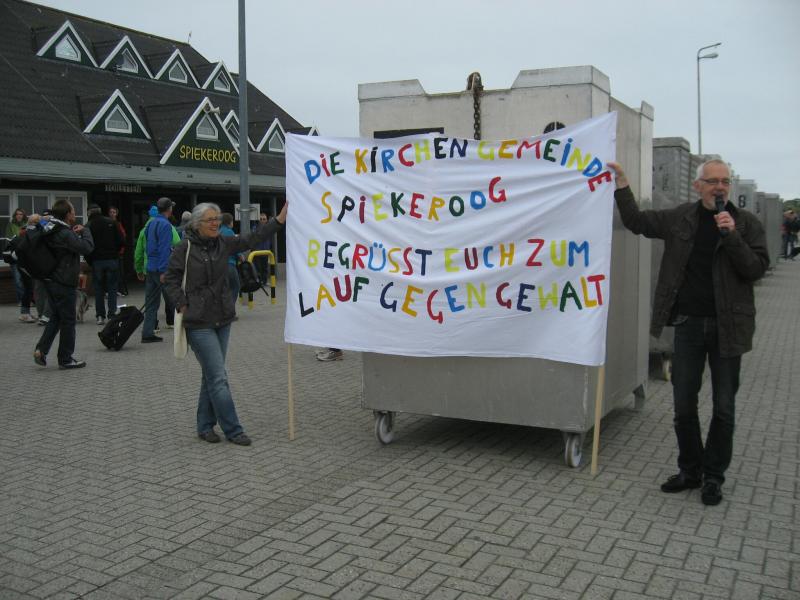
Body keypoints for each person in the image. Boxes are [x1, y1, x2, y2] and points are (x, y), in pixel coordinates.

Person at [609, 159, 769, 506]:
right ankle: (690, 470)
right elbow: (637, 221)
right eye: (712, 181)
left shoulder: (746, 224)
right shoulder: (681, 218)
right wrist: (622, 184)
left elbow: (755, 269)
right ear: (698, 186)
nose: (720, 187)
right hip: (688, 325)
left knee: (724, 407)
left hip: (729, 327)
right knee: (683, 405)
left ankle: (713, 477)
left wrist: (732, 237)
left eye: (724, 181)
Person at [164, 201, 287, 445]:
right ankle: (233, 429)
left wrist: (279, 220)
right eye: (210, 220)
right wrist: (181, 303)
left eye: (217, 219)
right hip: (198, 322)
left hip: (222, 318)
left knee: (211, 375)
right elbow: (170, 279)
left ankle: (204, 426)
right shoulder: (184, 247)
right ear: (197, 224)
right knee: (219, 377)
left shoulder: (223, 243)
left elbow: (252, 238)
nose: (215, 224)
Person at [30, 199, 94, 369]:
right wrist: (85, 231)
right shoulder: (64, 233)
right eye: (72, 211)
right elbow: (86, 247)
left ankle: (41, 350)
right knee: (68, 320)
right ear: (67, 214)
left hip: (50, 279)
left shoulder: (50, 228)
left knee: (56, 317)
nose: (74, 213)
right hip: (63, 281)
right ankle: (65, 358)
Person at [135, 205, 181, 335]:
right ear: (169, 210)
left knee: (151, 303)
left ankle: (148, 332)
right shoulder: (167, 226)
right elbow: (172, 246)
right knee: (173, 298)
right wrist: (164, 270)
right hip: (161, 268)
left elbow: (139, 252)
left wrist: (139, 269)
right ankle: (176, 324)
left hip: (149, 267)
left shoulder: (147, 227)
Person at [86, 204, 123, 325]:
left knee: (98, 289)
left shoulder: (89, 225)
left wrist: (90, 260)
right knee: (112, 288)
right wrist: (115, 253)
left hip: (97, 260)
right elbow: (121, 240)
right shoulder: (112, 222)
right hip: (112, 259)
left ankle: (100, 316)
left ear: (89, 213)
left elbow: (86, 245)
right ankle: (112, 314)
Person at [5, 208, 36, 323]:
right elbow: (11, 242)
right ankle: (24, 309)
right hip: (19, 260)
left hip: (24, 261)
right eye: (17, 214)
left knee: (28, 286)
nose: (19, 216)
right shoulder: (13, 226)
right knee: (23, 283)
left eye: (21, 214)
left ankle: (25, 309)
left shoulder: (25, 228)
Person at [219, 213, 240, 303]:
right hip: (229, 264)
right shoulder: (229, 232)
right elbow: (234, 247)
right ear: (230, 222)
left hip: (219, 265)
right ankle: (230, 308)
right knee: (235, 286)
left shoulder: (219, 231)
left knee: (224, 288)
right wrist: (240, 256)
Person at [108, 206, 128, 295]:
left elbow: (123, 236)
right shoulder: (106, 223)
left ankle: (120, 289)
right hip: (109, 252)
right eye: (111, 212)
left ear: (116, 214)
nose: (112, 214)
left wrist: (121, 249)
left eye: (114, 212)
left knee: (119, 272)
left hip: (118, 252)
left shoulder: (118, 224)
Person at [252, 212, 272, 283]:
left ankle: (264, 281)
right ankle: (259, 282)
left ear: (266, 220)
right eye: (261, 219)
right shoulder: (255, 228)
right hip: (257, 251)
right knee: (258, 268)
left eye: (264, 219)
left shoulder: (269, 228)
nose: (262, 220)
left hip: (265, 251)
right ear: (258, 220)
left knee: (265, 267)